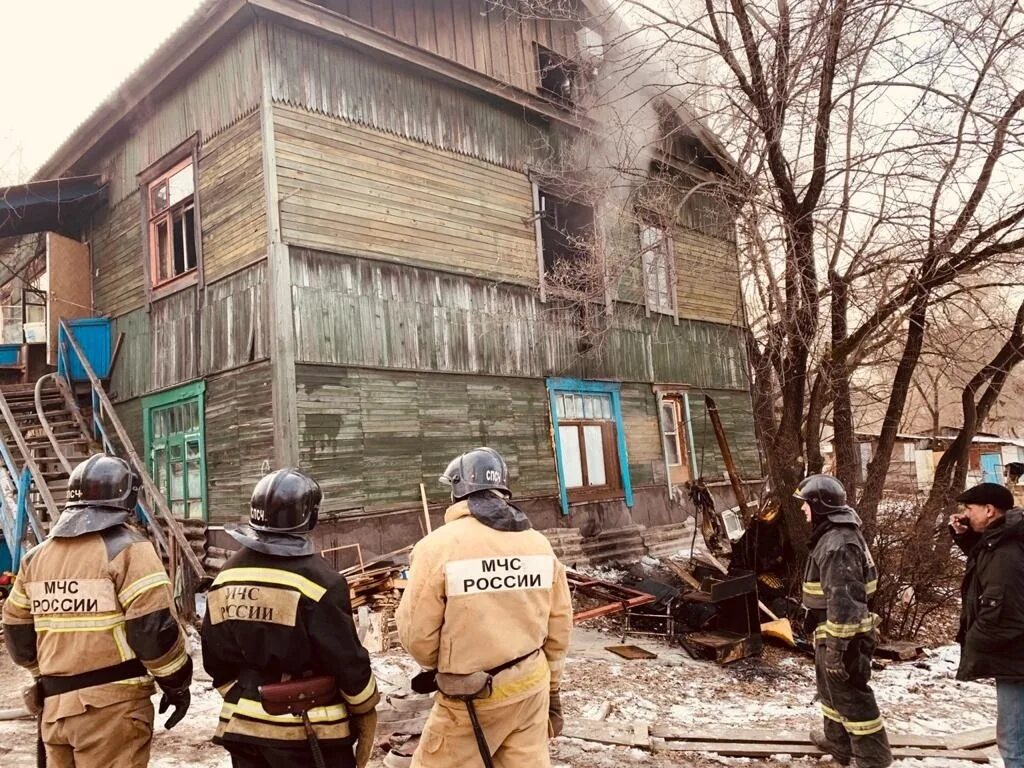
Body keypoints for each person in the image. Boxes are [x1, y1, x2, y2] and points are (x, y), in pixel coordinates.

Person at [2, 453, 192, 767]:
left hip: (54, 711)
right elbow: (152, 630)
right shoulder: (130, 550)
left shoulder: (36, 558)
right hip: (111, 711)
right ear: (128, 498)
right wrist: (176, 682)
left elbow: (17, 632)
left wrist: (45, 673)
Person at [395, 447, 573, 768]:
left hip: (470, 700)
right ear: (502, 491)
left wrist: (449, 662)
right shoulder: (538, 544)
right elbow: (559, 627)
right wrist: (554, 689)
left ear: (457, 491)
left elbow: (417, 636)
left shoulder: (437, 547)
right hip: (531, 688)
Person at [201, 468, 379, 768]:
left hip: (244, 728)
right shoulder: (322, 580)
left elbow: (215, 656)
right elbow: (347, 660)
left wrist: (248, 691)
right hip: (310, 732)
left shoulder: (228, 574)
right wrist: (365, 709)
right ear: (311, 517)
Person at [796, 474, 892, 768]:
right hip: (831, 630)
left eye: (805, 504)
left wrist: (837, 650)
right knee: (831, 693)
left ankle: (873, 758)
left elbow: (845, 602)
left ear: (819, 505)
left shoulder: (838, 544)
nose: (801, 510)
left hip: (844, 635)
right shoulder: (832, 536)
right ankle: (838, 743)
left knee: (851, 696)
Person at [949, 482, 1024, 768]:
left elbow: (1003, 610)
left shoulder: (1005, 552)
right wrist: (966, 538)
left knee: (1013, 741)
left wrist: (974, 642)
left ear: (989, 510)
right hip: (1015, 657)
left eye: (970, 509)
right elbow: (986, 562)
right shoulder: (1004, 538)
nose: (965, 514)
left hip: (1017, 660)